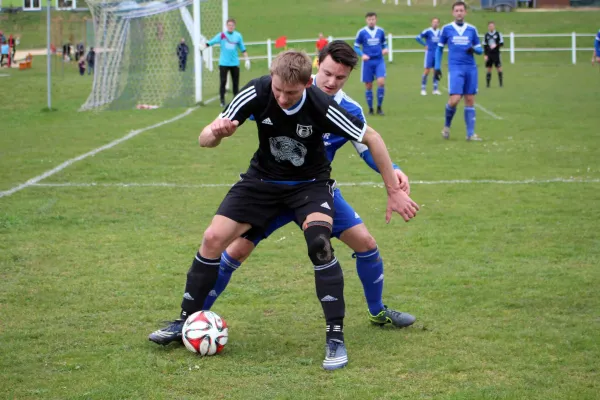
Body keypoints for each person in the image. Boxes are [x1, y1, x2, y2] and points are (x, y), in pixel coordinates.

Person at [148, 50, 420, 371]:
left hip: (310, 187)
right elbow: (206, 137)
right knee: (215, 240)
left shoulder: (327, 105)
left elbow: (370, 140)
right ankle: (185, 320)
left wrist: (393, 184)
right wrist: (216, 133)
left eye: (290, 93)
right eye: (278, 90)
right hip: (262, 185)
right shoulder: (259, 90)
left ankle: (338, 335)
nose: (282, 98)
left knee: (327, 244)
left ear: (306, 84)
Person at [201, 40, 417, 332]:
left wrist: (394, 172)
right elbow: (242, 113)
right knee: (235, 251)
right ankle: (195, 318)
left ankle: (378, 312)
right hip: (272, 189)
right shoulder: (287, 91)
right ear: (317, 65)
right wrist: (218, 131)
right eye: (327, 73)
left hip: (315, 192)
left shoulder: (347, 109)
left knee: (366, 244)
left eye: (340, 77)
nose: (331, 81)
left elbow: (367, 149)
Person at [434, 1, 483, 141]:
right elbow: (439, 48)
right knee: (455, 99)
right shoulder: (447, 29)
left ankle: (470, 134)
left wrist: (474, 49)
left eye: (461, 10)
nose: (459, 13)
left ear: (465, 12)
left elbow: (480, 49)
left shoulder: (472, 30)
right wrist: (437, 67)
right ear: (453, 12)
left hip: (470, 68)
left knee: (470, 99)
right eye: (457, 10)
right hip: (455, 68)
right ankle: (447, 126)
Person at [203, 18, 251, 107]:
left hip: (234, 63)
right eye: (229, 25)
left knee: (235, 82)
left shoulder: (238, 36)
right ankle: (222, 100)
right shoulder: (222, 35)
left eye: (232, 25)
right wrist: (203, 46)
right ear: (226, 26)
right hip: (223, 63)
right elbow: (211, 42)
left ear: (234, 26)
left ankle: (236, 100)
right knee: (223, 81)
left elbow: (242, 48)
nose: (230, 27)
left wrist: (247, 59)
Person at [354, 12, 388, 116]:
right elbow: (356, 46)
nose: (371, 21)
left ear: (376, 20)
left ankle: (379, 107)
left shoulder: (381, 31)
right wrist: (362, 54)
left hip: (379, 60)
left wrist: (386, 49)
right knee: (368, 85)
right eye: (369, 19)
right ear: (366, 20)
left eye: (373, 19)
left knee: (381, 82)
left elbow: (384, 43)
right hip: (367, 62)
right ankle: (370, 109)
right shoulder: (362, 32)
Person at [415, 17, 442, 96]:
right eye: (434, 22)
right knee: (427, 70)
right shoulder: (428, 31)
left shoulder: (440, 32)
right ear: (431, 23)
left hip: (437, 53)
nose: (435, 23)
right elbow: (417, 37)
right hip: (429, 53)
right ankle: (423, 89)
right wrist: (425, 44)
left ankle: (435, 89)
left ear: (438, 24)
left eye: (436, 22)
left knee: (436, 71)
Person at [483, 22, 504, 88]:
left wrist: (496, 45)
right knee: (489, 68)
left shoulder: (498, 34)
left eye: (492, 26)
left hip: (496, 54)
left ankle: (501, 84)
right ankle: (488, 85)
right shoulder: (486, 35)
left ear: (494, 26)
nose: (491, 27)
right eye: (489, 26)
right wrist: (485, 55)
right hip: (489, 54)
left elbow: (502, 43)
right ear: (488, 27)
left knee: (499, 68)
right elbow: (485, 46)